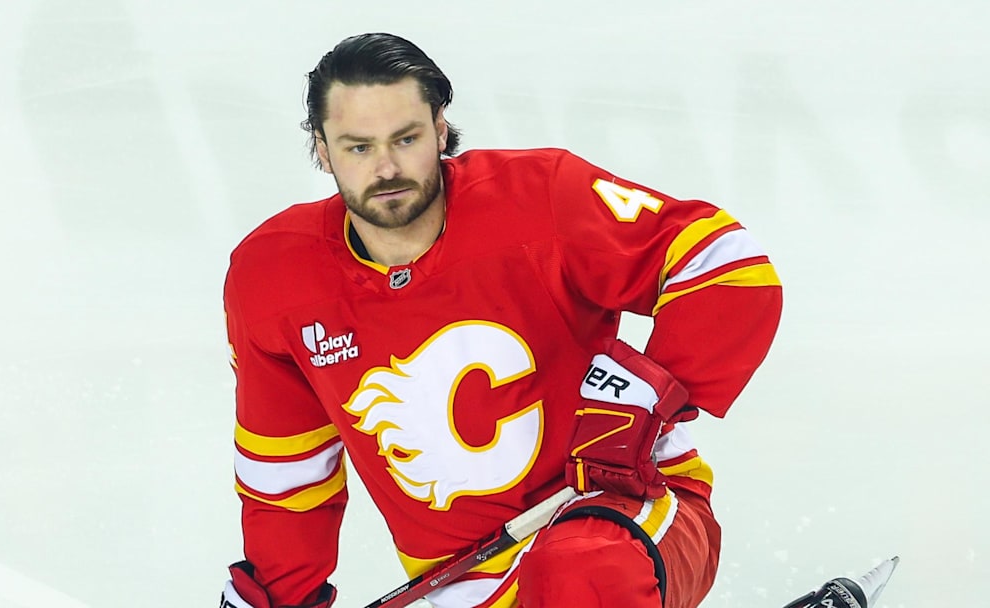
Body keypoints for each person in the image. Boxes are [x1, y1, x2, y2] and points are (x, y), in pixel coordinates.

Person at [219, 32, 782, 608]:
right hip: (468, 583)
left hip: (629, 516)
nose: (386, 167)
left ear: (440, 128)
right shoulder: (272, 279)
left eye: (406, 138)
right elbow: (287, 477)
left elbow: (725, 265)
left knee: (580, 569)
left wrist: (642, 402)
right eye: (358, 147)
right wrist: (273, 597)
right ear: (322, 147)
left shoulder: (539, 197)